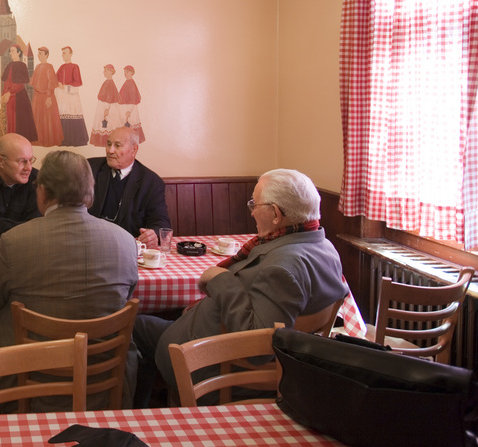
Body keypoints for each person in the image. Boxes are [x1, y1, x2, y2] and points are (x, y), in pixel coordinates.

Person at [132, 168, 348, 406]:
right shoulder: (325, 247)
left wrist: (220, 279)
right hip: (216, 341)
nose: (252, 211)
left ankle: (139, 411)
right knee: (146, 324)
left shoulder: (282, 269)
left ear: (276, 214)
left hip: (211, 368)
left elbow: (257, 347)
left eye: (255, 204)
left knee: (134, 327)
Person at [0, 149, 139, 408]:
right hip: (102, 380)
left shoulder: (14, 241)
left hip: (27, 382)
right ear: (90, 191)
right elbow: (126, 296)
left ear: (43, 191)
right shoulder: (126, 242)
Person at [88, 126, 170, 248]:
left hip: (128, 248)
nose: (110, 151)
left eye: (117, 145)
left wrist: (153, 235)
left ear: (134, 150)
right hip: (92, 243)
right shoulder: (89, 168)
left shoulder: (151, 182)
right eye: (109, 144)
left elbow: (161, 223)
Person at [1, 44, 38, 141]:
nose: (10, 53)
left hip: (20, 97)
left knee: (20, 120)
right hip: (8, 97)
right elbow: (5, 82)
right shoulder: (9, 65)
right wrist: (4, 94)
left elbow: (20, 84)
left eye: (13, 51)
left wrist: (9, 93)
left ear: (18, 53)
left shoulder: (22, 66)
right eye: (10, 51)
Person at [55, 46, 89, 146]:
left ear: (70, 54)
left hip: (71, 96)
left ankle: (76, 140)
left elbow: (77, 82)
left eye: (65, 53)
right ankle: (63, 140)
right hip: (62, 96)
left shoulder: (75, 67)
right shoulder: (61, 67)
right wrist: (58, 84)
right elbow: (55, 79)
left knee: (72, 113)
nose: (63, 55)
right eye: (62, 53)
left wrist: (65, 87)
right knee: (62, 114)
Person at [30, 46, 63, 147]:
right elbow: (34, 82)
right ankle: (38, 140)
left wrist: (49, 97)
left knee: (47, 118)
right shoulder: (37, 67)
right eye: (38, 53)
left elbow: (51, 83)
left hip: (46, 96)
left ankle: (47, 140)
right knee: (37, 117)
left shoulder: (49, 67)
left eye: (40, 54)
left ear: (46, 55)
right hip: (37, 97)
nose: (38, 55)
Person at [89, 64, 123, 147]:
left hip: (107, 107)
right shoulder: (107, 82)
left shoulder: (110, 83)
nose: (104, 72)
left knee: (108, 124)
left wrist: (107, 109)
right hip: (104, 105)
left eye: (106, 71)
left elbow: (109, 97)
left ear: (111, 72)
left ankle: (108, 141)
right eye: (104, 71)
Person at [119, 65, 146, 143]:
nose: (125, 74)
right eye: (124, 72)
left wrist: (129, 111)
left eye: (127, 72)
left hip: (130, 109)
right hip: (125, 108)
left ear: (131, 73)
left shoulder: (131, 83)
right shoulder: (127, 82)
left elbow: (133, 99)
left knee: (131, 124)